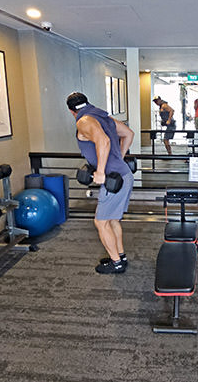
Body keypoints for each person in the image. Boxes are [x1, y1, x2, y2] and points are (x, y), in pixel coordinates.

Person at [67, 92, 135, 274]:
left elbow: (103, 141)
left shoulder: (83, 121)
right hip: (124, 175)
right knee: (111, 220)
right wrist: (119, 158)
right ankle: (120, 256)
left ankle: (116, 263)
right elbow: (128, 134)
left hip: (114, 179)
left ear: (71, 111)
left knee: (101, 222)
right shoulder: (102, 116)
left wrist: (100, 171)